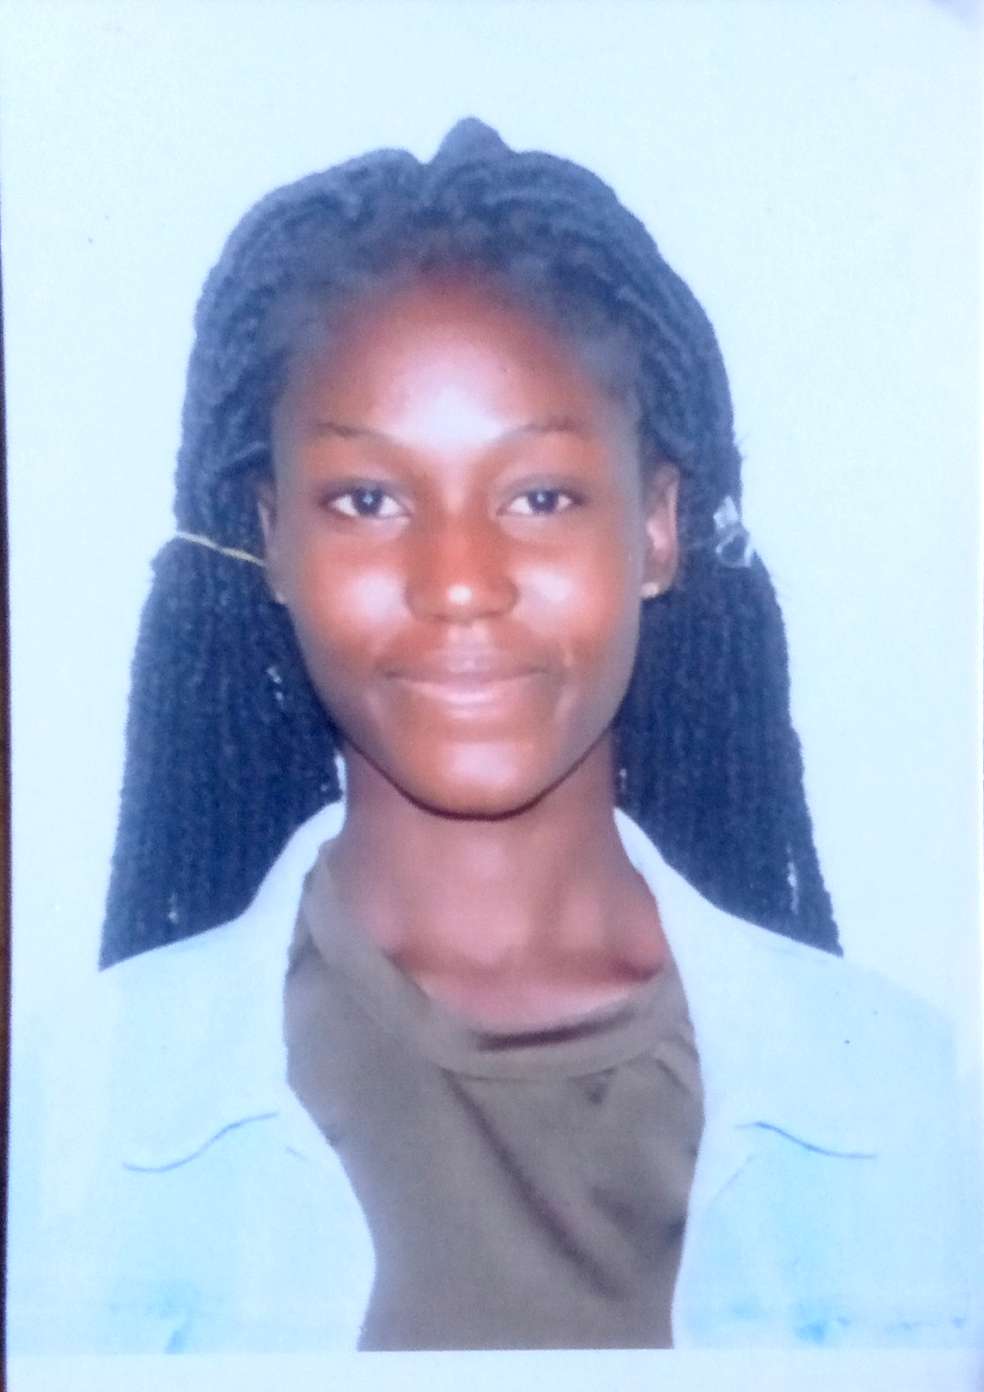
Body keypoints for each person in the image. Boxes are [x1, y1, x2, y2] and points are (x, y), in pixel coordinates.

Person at [7, 118, 977, 1354]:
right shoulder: (69, 1121)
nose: (459, 582)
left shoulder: (912, 1110)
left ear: (659, 528)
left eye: (540, 496)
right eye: (368, 499)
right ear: (272, 539)